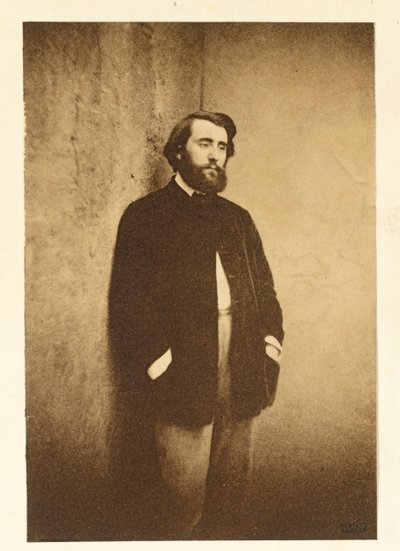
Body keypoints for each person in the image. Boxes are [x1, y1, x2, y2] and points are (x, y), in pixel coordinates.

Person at [108, 111, 284, 539]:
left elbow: (265, 290)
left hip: (242, 355)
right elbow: (128, 302)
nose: (215, 155)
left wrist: (269, 347)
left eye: (222, 147)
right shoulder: (146, 215)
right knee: (182, 498)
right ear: (177, 152)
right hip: (182, 364)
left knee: (231, 488)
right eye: (205, 144)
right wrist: (158, 364)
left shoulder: (238, 218)